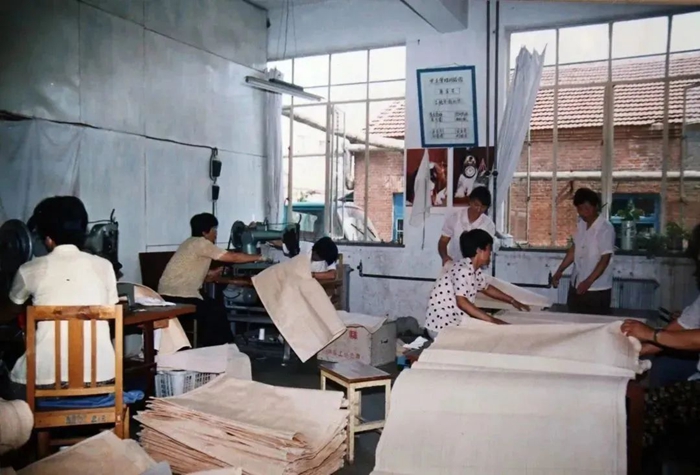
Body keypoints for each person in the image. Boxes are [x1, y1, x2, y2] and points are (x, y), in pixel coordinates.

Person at [5, 196, 119, 399]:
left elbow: (9, 311)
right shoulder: (105, 266)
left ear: (48, 239)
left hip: (43, 382)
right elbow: (110, 313)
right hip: (102, 377)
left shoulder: (29, 269)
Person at [158, 213, 264, 347]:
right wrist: (261, 257)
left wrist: (213, 272)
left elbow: (190, 271)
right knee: (215, 312)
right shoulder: (202, 243)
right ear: (205, 232)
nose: (216, 233)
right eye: (214, 229)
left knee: (214, 307)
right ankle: (219, 347)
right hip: (180, 296)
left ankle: (222, 346)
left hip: (166, 293)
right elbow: (233, 257)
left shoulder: (189, 242)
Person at [425, 229, 530, 338]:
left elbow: (487, 288)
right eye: (489, 250)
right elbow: (462, 302)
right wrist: (492, 320)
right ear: (479, 251)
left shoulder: (473, 270)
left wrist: (512, 301)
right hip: (441, 326)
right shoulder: (463, 270)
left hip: (453, 323)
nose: (490, 254)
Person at [552, 188, 615, 314]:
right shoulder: (581, 224)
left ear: (595, 206)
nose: (584, 212)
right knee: (573, 320)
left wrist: (588, 281)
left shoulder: (605, 228)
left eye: (587, 208)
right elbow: (574, 249)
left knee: (594, 323)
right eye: (580, 209)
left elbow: (605, 259)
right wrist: (560, 270)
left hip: (597, 289)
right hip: (576, 284)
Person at [438, 186, 496, 267]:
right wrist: (444, 256)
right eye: (476, 205)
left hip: (478, 268)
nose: (478, 209)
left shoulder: (488, 225)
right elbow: (443, 241)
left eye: (483, 207)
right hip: (455, 265)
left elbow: (487, 249)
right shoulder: (455, 218)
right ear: (470, 201)